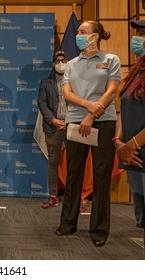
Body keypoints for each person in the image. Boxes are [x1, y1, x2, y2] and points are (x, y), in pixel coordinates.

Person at [55, 20, 121, 247]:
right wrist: (87, 106)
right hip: (75, 120)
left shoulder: (110, 60)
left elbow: (112, 89)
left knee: (101, 174)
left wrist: (93, 113)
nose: (78, 35)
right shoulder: (72, 64)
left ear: (95, 36)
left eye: (83, 32)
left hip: (104, 121)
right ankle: (67, 223)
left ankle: (99, 230)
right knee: (74, 172)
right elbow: (67, 92)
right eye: (79, 32)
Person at [114, 19, 145, 245]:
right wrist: (119, 142)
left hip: (136, 151)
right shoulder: (137, 69)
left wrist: (130, 145)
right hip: (131, 154)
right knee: (141, 214)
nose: (137, 38)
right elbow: (122, 109)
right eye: (137, 33)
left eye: (143, 33)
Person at [37, 50, 68, 209]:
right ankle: (53, 195)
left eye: (64, 60)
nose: (61, 64)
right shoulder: (45, 82)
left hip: (72, 126)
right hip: (53, 126)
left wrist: (69, 121)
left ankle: (73, 198)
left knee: (74, 162)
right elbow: (42, 103)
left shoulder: (74, 81)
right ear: (53, 64)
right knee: (53, 162)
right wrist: (53, 120)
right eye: (58, 61)